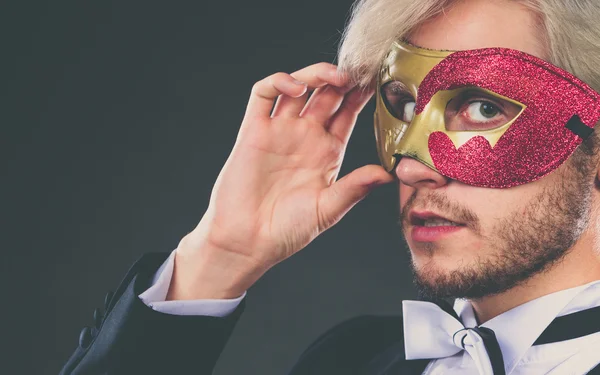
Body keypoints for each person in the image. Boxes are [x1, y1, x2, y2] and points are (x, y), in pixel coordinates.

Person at [60, 0, 600, 374]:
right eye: (405, 106)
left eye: (484, 107)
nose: (411, 167)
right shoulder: (350, 360)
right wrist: (220, 256)